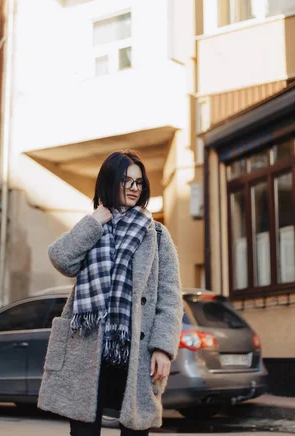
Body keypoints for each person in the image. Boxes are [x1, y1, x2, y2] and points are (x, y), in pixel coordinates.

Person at [38, 150, 182, 436]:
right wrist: (94, 221)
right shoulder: (94, 229)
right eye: (126, 181)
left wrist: (163, 348)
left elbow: (170, 297)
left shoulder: (157, 235)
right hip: (90, 350)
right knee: (83, 432)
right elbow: (61, 259)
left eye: (138, 183)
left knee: (135, 429)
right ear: (109, 182)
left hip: (136, 352)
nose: (133, 188)